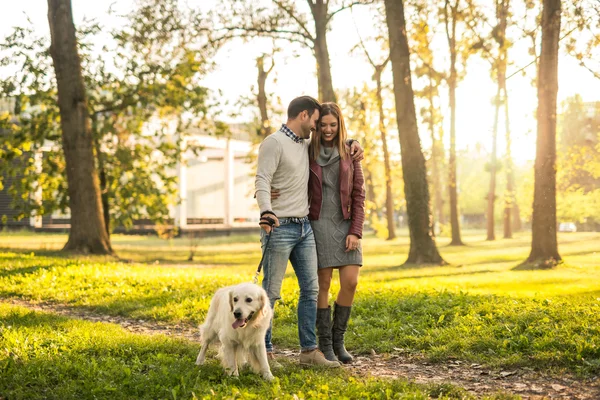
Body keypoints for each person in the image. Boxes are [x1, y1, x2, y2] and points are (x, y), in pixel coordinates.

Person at [255, 96, 362, 368]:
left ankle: (310, 351)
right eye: (317, 122)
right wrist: (266, 209)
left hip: (304, 226)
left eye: (327, 124)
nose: (319, 128)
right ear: (304, 116)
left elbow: (338, 153)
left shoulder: (306, 145)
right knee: (272, 291)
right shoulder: (278, 143)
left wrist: (354, 142)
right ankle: (263, 351)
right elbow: (263, 179)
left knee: (311, 290)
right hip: (282, 226)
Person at [308, 102, 365, 364]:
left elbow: (359, 194)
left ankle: (338, 339)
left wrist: (355, 231)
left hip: (345, 223)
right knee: (323, 285)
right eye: (323, 125)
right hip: (318, 223)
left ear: (340, 125)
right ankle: (326, 345)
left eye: (333, 124)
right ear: (317, 126)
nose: (328, 129)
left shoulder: (350, 153)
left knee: (351, 282)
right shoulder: (308, 151)